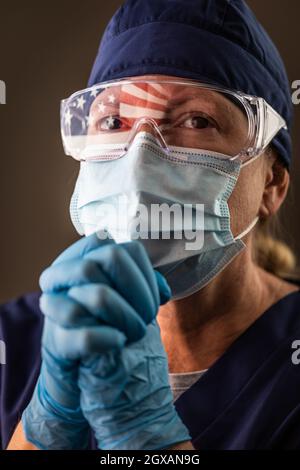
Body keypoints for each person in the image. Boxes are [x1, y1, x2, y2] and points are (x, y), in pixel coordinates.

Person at [2, 0, 300, 450]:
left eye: (197, 120)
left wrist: (143, 433)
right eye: (113, 121)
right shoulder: (13, 343)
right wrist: (48, 421)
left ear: (271, 185)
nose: (140, 159)